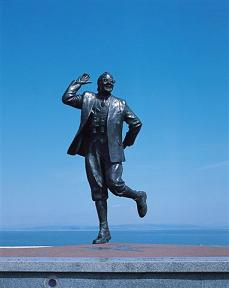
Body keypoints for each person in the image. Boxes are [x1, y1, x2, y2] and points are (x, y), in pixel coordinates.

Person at [62, 72, 147, 244]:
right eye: (105, 81)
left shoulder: (120, 104)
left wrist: (126, 142)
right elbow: (67, 98)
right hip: (92, 149)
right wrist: (77, 83)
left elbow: (136, 123)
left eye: (111, 82)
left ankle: (138, 196)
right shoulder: (88, 98)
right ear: (99, 84)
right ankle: (104, 230)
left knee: (115, 184)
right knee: (98, 190)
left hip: (112, 150)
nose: (109, 83)